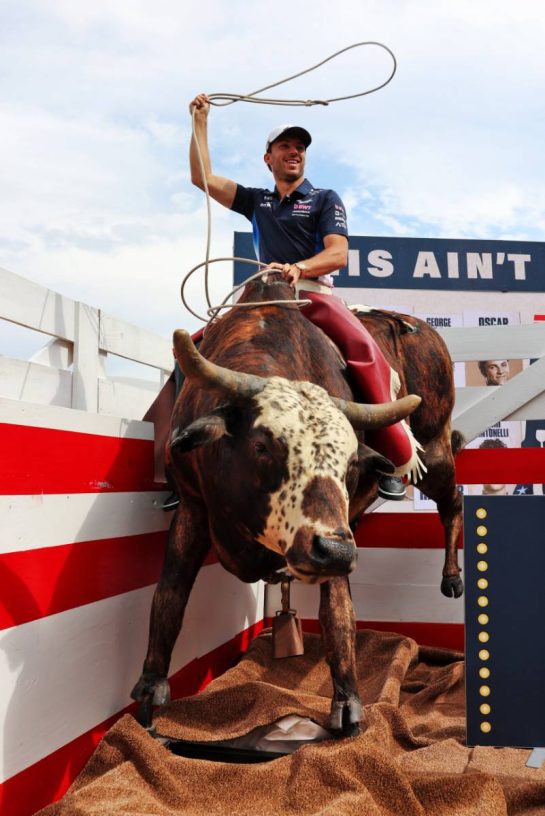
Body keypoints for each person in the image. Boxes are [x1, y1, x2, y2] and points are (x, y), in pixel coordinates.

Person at [185, 92, 425, 502]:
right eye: (285, 147)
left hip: (312, 294)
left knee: (364, 349)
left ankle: (393, 460)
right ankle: (180, 466)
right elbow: (201, 177)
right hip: (263, 298)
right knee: (196, 348)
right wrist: (200, 122)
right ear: (269, 158)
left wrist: (301, 268)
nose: (294, 153)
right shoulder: (256, 200)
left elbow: (338, 253)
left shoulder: (324, 198)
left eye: (300, 148)